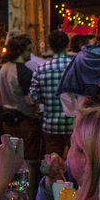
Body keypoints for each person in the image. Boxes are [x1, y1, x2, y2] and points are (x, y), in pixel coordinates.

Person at [0, 34, 42, 200]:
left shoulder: (3, 69)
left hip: (7, 120)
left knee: (11, 161)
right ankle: (27, 199)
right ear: (22, 51)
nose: (31, 54)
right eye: (29, 50)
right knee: (28, 161)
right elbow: (30, 100)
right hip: (25, 120)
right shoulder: (23, 72)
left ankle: (11, 196)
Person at [29, 30, 75, 159]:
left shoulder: (41, 68)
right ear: (68, 45)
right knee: (72, 163)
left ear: (50, 47)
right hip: (73, 124)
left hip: (51, 124)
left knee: (52, 164)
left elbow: (33, 97)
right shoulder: (75, 66)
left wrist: (45, 99)